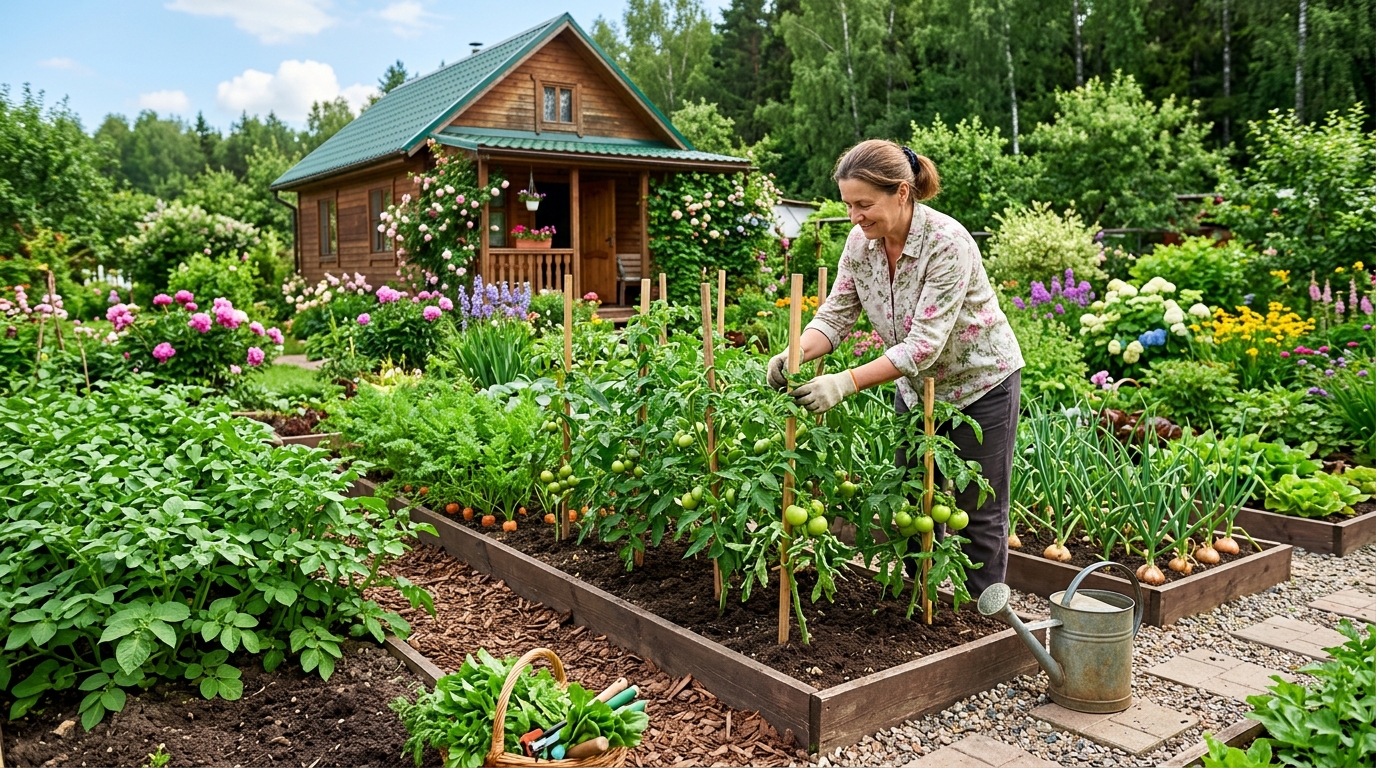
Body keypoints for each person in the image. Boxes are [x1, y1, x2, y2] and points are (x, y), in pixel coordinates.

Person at [767, 138, 1024, 593]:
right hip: (915, 389)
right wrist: (796, 352)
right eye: (848, 205)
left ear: (902, 193)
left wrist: (845, 382)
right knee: (910, 500)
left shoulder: (947, 242)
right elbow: (836, 314)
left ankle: (978, 623)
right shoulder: (860, 242)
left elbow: (923, 345)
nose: (855, 216)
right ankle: (920, 601)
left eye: (864, 204)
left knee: (977, 509)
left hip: (978, 385)